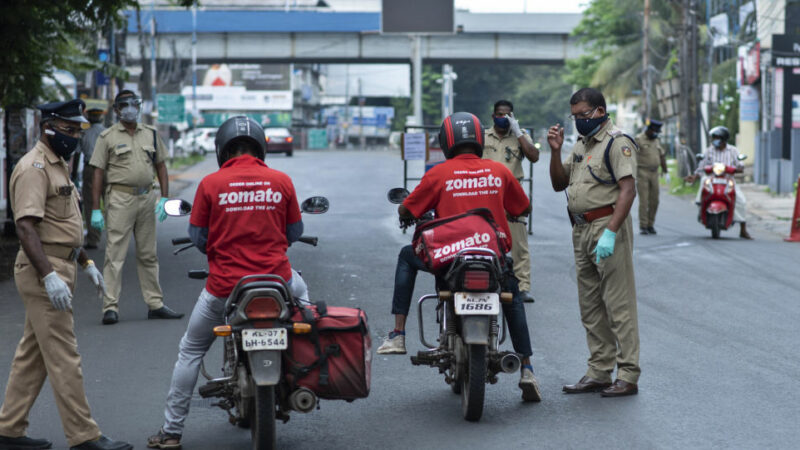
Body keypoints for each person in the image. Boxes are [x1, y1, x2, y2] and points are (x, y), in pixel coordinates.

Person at [147, 116, 308, 448]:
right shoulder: (281, 181)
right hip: (279, 282)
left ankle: (171, 432)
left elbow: (198, 237)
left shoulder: (210, 184)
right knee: (309, 318)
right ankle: (307, 374)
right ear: (261, 147)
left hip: (225, 288)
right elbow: (295, 233)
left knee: (190, 351)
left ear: (222, 149)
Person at [376, 111, 542, 403]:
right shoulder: (499, 170)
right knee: (512, 297)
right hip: (492, 256)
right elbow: (523, 207)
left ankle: (397, 333)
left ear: (446, 141)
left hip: (449, 258)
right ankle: (527, 368)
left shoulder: (438, 173)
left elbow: (407, 210)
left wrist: (406, 213)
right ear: (478, 138)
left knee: (406, 256)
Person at [0, 100, 132, 450]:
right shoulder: (35, 167)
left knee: (34, 354)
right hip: (44, 269)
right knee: (64, 356)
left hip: (62, 264)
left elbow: (65, 225)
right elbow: (26, 227)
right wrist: (48, 277)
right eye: (69, 130)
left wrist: (86, 263)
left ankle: (8, 429)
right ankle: (84, 436)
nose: (74, 137)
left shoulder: (59, 165)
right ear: (48, 128)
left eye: (78, 131)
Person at [547, 88, 640, 397]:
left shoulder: (617, 142)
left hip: (606, 224)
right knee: (590, 306)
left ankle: (627, 374)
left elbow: (628, 190)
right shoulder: (580, 145)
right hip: (581, 230)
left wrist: (611, 232)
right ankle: (599, 370)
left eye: (584, 115)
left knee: (618, 305)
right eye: (575, 117)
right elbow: (559, 183)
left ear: (600, 111)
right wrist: (555, 151)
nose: (579, 122)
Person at [88, 90, 183, 324]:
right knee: (115, 255)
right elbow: (97, 173)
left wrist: (164, 198)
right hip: (120, 198)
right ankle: (110, 307)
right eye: (124, 104)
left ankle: (155, 303)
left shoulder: (150, 134)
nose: (130, 108)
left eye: (134, 103)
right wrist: (96, 208)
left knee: (148, 254)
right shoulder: (107, 137)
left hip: (147, 198)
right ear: (117, 110)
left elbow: (161, 166)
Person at [482, 100, 539, 303]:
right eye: (499, 114)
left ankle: (522, 287)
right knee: (485, 241)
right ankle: (488, 283)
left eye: (507, 115)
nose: (502, 118)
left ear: (512, 116)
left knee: (518, 245)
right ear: (493, 116)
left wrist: (518, 132)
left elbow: (534, 156)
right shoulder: (482, 136)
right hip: (486, 195)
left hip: (512, 196)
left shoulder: (519, 135)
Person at [684, 126, 752, 240]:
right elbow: (702, 167)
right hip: (712, 178)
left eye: (716, 138)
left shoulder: (733, 150)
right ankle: (700, 204)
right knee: (703, 180)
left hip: (728, 180)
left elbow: (740, 166)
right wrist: (694, 176)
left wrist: (737, 168)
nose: (714, 140)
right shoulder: (709, 150)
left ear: (723, 139)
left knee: (741, 201)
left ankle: (743, 229)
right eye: (713, 138)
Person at [77, 107, 105, 248]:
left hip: (90, 168)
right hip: (108, 169)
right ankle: (115, 236)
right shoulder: (108, 133)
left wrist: (73, 175)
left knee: (91, 204)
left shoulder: (84, 134)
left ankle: (93, 239)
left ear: (88, 118)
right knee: (112, 203)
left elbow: (77, 154)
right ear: (101, 117)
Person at [634, 119, 668, 235]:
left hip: (655, 173)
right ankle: (643, 225)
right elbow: (631, 156)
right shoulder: (638, 139)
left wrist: (666, 171)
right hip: (642, 172)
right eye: (654, 131)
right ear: (649, 129)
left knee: (655, 201)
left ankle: (650, 224)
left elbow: (662, 155)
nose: (655, 134)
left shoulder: (656, 140)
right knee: (644, 201)